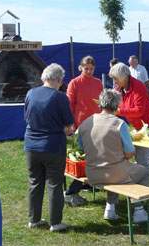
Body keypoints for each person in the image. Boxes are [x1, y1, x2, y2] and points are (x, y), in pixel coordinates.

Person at [78, 89, 149, 223]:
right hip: (115, 173)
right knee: (142, 170)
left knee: (117, 170)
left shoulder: (86, 123)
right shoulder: (119, 124)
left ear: (100, 104)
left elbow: (81, 147)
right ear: (117, 105)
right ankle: (139, 210)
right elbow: (130, 152)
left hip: (92, 174)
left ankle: (110, 208)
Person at [24, 63, 74, 232]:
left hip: (31, 145)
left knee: (35, 182)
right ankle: (55, 223)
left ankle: (34, 220)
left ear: (44, 77)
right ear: (59, 80)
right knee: (54, 184)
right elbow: (69, 127)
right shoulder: (60, 97)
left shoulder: (30, 93)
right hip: (52, 146)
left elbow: (27, 118)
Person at [109, 63, 149, 184]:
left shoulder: (138, 86)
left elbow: (139, 111)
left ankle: (144, 193)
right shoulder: (120, 87)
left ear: (123, 77)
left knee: (142, 159)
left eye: (115, 79)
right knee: (134, 156)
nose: (114, 82)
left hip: (148, 125)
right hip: (136, 126)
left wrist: (118, 111)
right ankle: (136, 186)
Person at [64, 55, 103, 206]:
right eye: (86, 68)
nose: (89, 71)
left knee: (95, 156)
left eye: (91, 69)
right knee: (82, 160)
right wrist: (71, 124)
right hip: (80, 125)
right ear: (81, 67)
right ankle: (72, 191)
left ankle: (88, 183)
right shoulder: (74, 83)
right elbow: (69, 105)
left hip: (97, 124)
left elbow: (101, 102)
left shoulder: (98, 82)